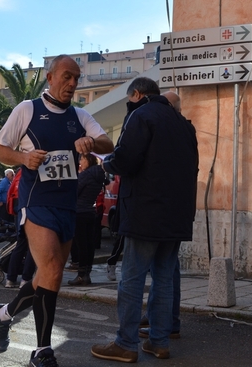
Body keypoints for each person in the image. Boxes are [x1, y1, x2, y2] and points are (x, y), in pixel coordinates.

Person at [0, 54, 114, 367]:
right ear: (51, 77)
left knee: (50, 276)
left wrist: (90, 143)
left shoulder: (80, 116)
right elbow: (0, 150)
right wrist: (22, 159)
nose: (72, 83)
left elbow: (107, 143)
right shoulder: (27, 109)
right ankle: (42, 350)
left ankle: (3, 315)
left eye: (76, 78)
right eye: (67, 76)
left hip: (67, 206)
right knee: (53, 270)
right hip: (37, 202)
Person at [91, 78, 198, 363]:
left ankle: (126, 344)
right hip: (177, 215)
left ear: (136, 94)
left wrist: (107, 163)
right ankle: (159, 342)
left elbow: (126, 158)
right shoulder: (184, 124)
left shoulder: (141, 115)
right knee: (164, 279)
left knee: (133, 278)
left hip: (145, 212)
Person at [139, 91, 186, 340]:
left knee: (139, 275)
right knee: (167, 274)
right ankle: (165, 328)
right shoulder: (186, 130)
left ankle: (128, 339)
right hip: (176, 215)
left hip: (152, 212)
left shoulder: (150, 121)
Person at [68, 153, 107, 286]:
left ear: (88, 160)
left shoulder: (85, 175)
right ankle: (87, 274)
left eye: (82, 159)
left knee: (81, 245)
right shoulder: (99, 175)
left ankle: (81, 275)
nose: (80, 162)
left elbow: (74, 191)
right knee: (89, 245)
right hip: (91, 211)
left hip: (79, 211)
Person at [4, 168, 36, 288]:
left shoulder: (20, 174)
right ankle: (25, 279)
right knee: (33, 247)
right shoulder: (36, 172)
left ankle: (10, 279)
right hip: (33, 211)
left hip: (20, 212)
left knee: (20, 245)